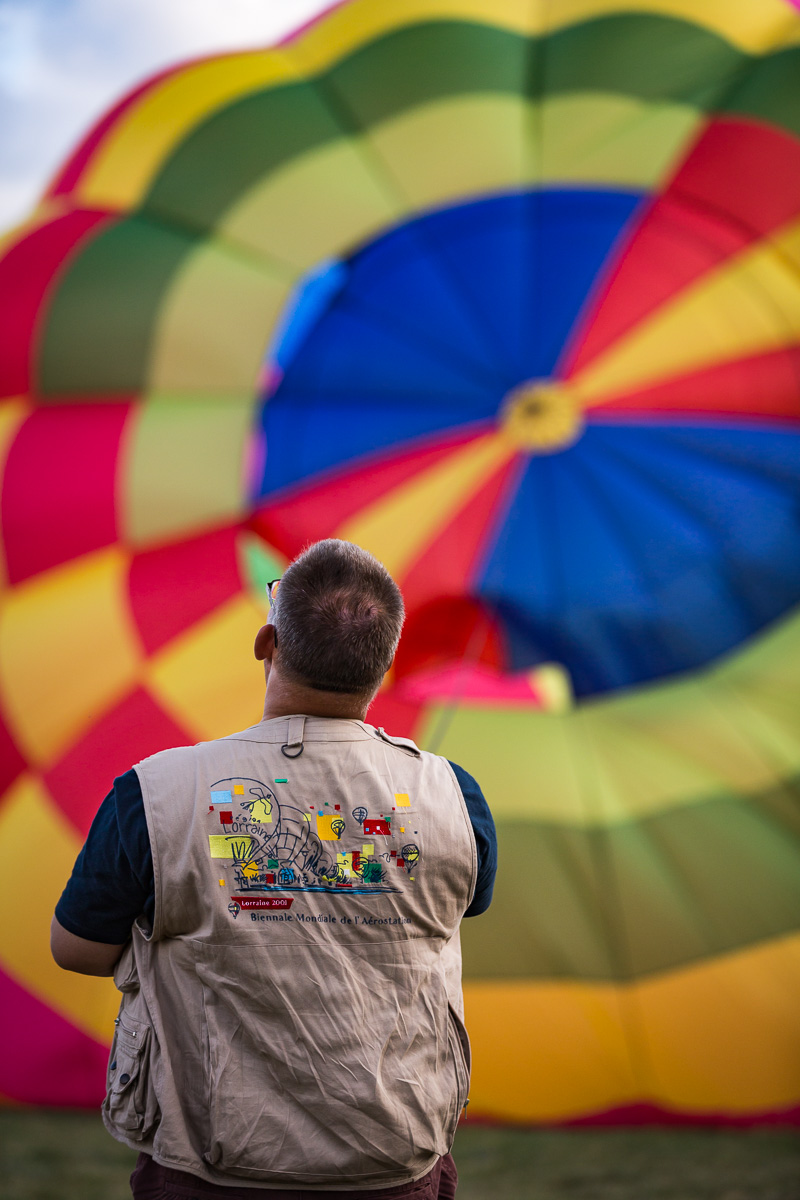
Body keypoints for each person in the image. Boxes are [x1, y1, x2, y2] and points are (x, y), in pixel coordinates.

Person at [51, 539, 497, 1199]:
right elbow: (455, 906)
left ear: (267, 642)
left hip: (210, 1164)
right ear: (386, 662)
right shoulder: (455, 797)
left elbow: (77, 948)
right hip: (393, 1162)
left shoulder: (156, 791)